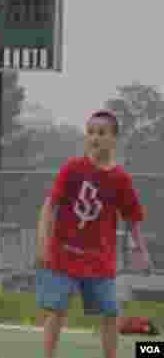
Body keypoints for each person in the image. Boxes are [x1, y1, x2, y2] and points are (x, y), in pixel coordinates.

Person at [36, 109, 149, 358]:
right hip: (63, 255)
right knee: (57, 310)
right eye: (90, 132)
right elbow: (49, 207)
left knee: (110, 311)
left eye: (101, 132)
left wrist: (142, 251)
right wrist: (43, 243)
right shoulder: (72, 168)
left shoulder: (120, 179)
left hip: (99, 259)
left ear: (113, 138)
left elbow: (132, 219)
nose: (94, 137)